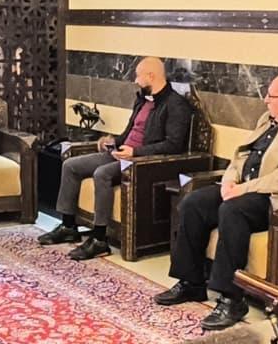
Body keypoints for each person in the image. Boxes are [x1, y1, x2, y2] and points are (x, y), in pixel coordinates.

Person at [156, 72, 278, 331]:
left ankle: (232, 299)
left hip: (277, 198)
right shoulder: (267, 119)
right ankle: (191, 283)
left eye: (270, 96)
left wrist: (244, 189)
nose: (265, 100)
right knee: (194, 203)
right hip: (244, 188)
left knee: (232, 210)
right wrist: (230, 180)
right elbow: (241, 156)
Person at [39, 56, 191, 261]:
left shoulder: (175, 104)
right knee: (70, 165)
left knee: (101, 173)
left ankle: (99, 239)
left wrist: (135, 153)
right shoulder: (142, 100)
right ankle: (68, 226)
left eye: (138, 76)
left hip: (140, 162)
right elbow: (129, 133)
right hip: (121, 154)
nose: (136, 81)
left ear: (151, 76)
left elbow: (173, 145)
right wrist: (111, 141)